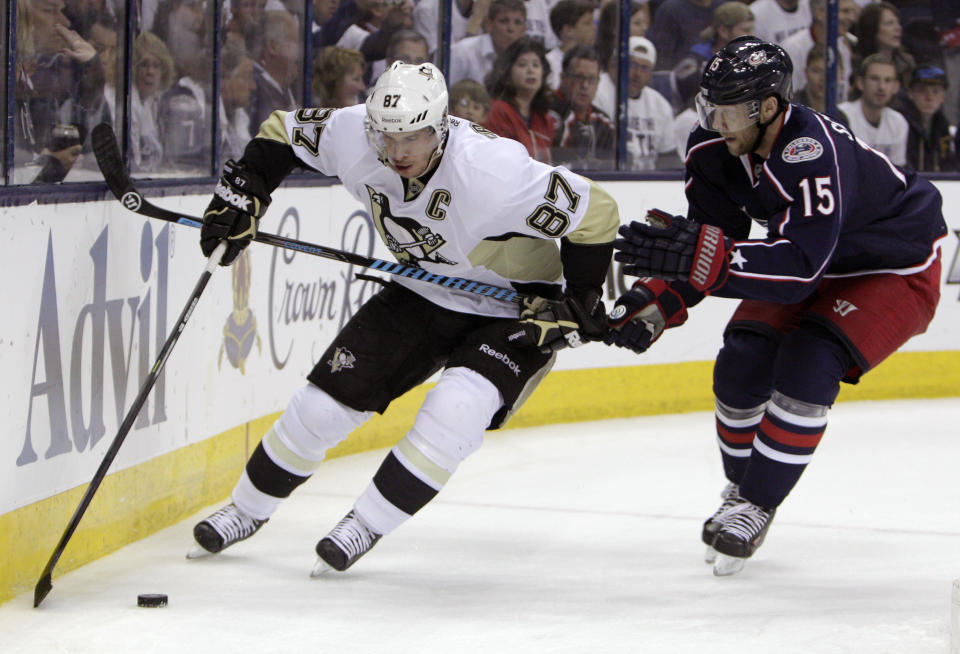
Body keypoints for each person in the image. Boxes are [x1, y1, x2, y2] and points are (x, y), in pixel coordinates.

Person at [187, 61, 619, 575]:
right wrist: (245, 191)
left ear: (440, 126)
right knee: (323, 406)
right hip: (425, 287)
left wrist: (581, 299)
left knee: (456, 409)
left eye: (414, 135)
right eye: (387, 135)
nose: (397, 151)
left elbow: (598, 213)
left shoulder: (492, 171)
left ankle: (364, 525)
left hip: (516, 306)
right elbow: (283, 132)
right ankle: (246, 509)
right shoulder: (354, 135)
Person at [606, 37, 946, 576]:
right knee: (741, 360)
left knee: (810, 358)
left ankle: (759, 502)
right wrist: (655, 300)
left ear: (768, 108)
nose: (716, 121)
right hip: (817, 258)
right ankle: (741, 491)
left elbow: (797, 269)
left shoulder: (809, 149)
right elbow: (713, 244)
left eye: (730, 109)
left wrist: (701, 260)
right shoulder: (712, 147)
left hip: (893, 267)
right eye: (710, 106)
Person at [483, 35, 556, 163]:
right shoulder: (497, 111)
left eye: (536, 65)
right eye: (522, 65)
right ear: (507, 71)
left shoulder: (545, 120)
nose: (530, 70)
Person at [550, 45, 615, 169]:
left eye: (591, 79)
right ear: (563, 78)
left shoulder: (603, 122)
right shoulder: (548, 116)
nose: (585, 85)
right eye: (579, 77)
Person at [839, 53, 908, 166]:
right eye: (874, 79)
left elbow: (897, 172)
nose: (881, 87)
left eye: (888, 80)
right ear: (860, 83)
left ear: (896, 87)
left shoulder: (898, 122)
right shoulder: (842, 116)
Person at [894, 65, 958, 172]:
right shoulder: (899, 122)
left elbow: (947, 164)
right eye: (922, 90)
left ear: (943, 96)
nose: (929, 98)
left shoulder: (943, 125)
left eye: (936, 91)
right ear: (910, 93)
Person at [448, 0, 527, 86]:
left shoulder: (527, 56)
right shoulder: (462, 52)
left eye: (518, 22)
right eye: (504, 21)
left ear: (524, 30)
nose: (511, 28)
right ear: (489, 25)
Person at [545, 0, 597, 89]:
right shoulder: (549, 64)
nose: (594, 27)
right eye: (587, 23)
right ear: (568, 30)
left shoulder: (593, 63)